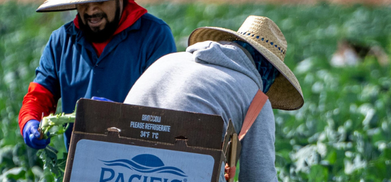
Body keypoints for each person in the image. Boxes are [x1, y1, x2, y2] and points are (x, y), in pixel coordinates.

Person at [124, 15, 305, 182]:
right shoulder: (257, 99)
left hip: (119, 164)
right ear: (268, 71)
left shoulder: (168, 60)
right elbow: (258, 176)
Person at [17, 0, 176, 151]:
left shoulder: (155, 35)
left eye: (100, 1)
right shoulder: (61, 41)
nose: (91, 10)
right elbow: (39, 95)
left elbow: (166, 110)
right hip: (80, 161)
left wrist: (121, 116)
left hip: (136, 161)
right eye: (83, 2)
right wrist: (30, 121)